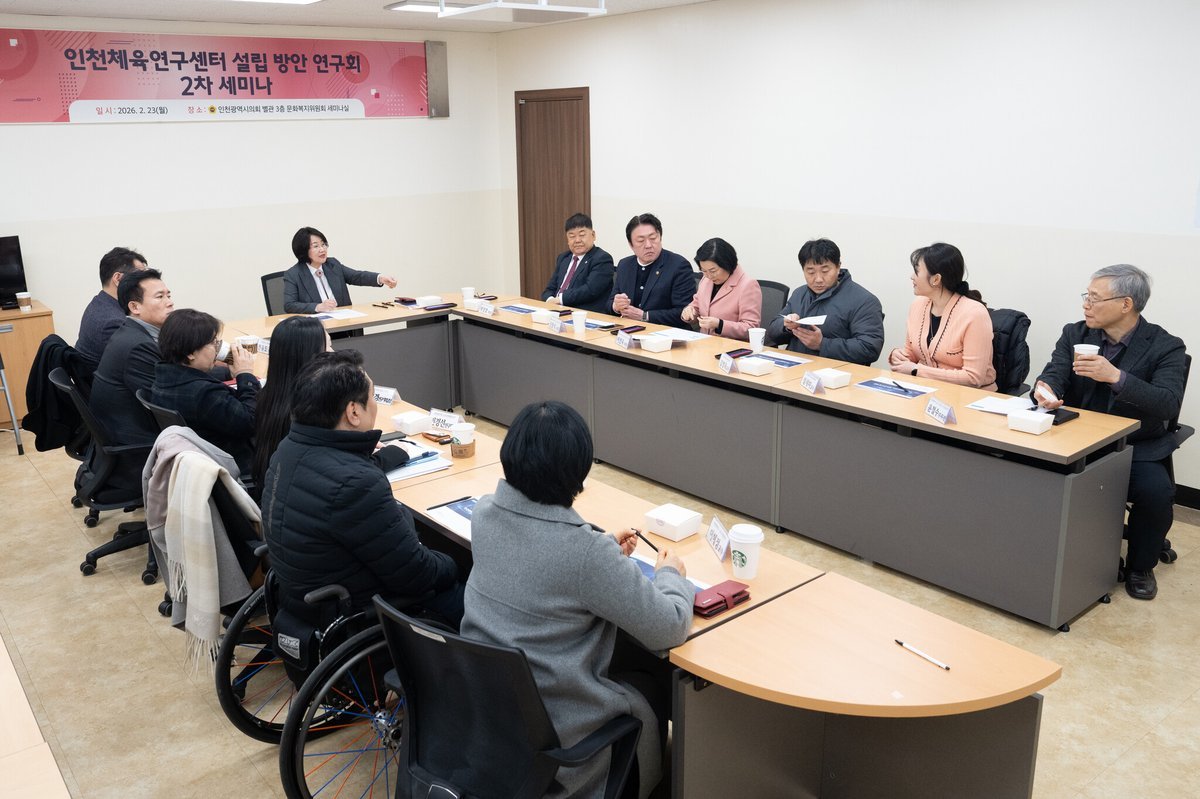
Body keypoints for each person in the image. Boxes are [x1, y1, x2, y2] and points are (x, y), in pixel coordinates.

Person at [461, 401, 692, 799]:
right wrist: (671, 574)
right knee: (655, 682)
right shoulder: (585, 555)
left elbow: (539, 557)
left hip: (491, 717)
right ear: (578, 473)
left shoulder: (484, 514)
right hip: (558, 742)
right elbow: (669, 626)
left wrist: (600, 548)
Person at [260, 349, 464, 622]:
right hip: (358, 610)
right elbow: (417, 576)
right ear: (353, 412)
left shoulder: (287, 448)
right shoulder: (356, 484)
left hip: (302, 595)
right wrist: (457, 562)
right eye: (372, 397)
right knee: (469, 586)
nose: (375, 404)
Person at [1033, 265, 1187, 600]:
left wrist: (1116, 377)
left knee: (1156, 493)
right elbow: (1055, 372)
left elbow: (1167, 403)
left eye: (1094, 298)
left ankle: (1139, 567)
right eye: (1086, 296)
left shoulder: (1166, 346)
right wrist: (1045, 390)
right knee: (1029, 470)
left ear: (1125, 304)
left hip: (1135, 446)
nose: (1085, 304)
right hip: (1078, 439)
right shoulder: (1075, 333)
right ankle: (1048, 552)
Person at [151, 309, 259, 475]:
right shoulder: (203, 393)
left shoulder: (163, 377)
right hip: (232, 464)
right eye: (213, 343)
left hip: (198, 463)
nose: (217, 349)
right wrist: (246, 375)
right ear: (190, 353)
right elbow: (251, 421)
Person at [888, 242, 996, 390]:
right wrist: (898, 356)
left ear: (936, 279)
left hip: (969, 396)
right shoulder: (918, 305)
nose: (911, 277)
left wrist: (917, 370)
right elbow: (911, 354)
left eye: (916, 271)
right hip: (927, 390)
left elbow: (973, 378)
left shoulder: (975, 314)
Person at [89, 268, 175, 449]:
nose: (170, 302)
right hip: (141, 441)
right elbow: (169, 399)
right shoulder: (138, 346)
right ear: (135, 307)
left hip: (134, 429)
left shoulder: (133, 332)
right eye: (160, 297)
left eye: (168, 295)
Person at [766, 238, 884, 365]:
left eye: (825, 271)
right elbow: (772, 333)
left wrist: (822, 344)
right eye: (811, 272)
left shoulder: (864, 301)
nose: (818, 279)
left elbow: (870, 348)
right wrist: (786, 326)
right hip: (793, 367)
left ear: (838, 266)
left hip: (836, 372)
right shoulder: (799, 293)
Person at [251, 316, 331, 493]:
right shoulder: (312, 410)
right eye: (328, 348)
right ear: (312, 357)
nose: (334, 353)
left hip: (276, 492)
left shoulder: (267, 396)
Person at [282, 227, 398, 314]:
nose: (322, 249)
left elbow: (357, 276)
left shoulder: (333, 265)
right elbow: (290, 305)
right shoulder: (293, 274)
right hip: (316, 328)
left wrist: (380, 278)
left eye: (323, 244)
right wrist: (317, 307)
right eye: (316, 246)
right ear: (303, 250)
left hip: (343, 323)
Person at [610, 213, 694, 328]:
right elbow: (609, 303)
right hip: (629, 330)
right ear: (631, 244)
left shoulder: (678, 265)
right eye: (641, 241)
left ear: (660, 237)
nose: (648, 245)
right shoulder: (625, 265)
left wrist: (645, 316)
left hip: (665, 333)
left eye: (653, 238)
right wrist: (616, 306)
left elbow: (684, 313)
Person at [76, 247, 148, 369]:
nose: (145, 283)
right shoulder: (113, 323)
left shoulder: (99, 302)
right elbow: (143, 362)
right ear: (118, 279)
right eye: (140, 276)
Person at [680, 238, 762, 340]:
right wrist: (689, 311)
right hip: (704, 343)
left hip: (731, 346)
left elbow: (751, 328)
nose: (709, 276)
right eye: (704, 271)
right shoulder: (706, 280)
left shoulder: (748, 285)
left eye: (713, 271)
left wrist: (720, 324)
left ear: (727, 264)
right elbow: (696, 306)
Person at [540, 212, 615, 314]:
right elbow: (550, 288)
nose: (577, 240)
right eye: (572, 236)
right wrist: (550, 300)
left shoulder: (602, 258)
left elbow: (590, 290)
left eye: (582, 235)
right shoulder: (563, 258)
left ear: (593, 235)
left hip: (585, 314)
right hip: (557, 311)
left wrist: (560, 300)